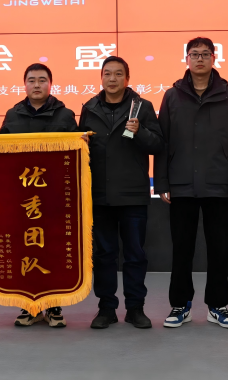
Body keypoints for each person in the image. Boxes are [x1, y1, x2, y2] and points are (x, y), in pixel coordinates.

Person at [154, 37, 228, 330]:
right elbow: (162, 142)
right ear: (186, 59)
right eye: (194, 54)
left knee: (218, 249)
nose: (199, 59)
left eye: (205, 54)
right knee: (182, 249)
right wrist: (162, 182)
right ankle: (180, 305)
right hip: (181, 184)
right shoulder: (172, 96)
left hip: (218, 184)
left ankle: (217, 306)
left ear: (213, 58)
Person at [78, 56, 164, 329]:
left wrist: (140, 132)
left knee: (135, 254)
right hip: (99, 194)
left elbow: (158, 144)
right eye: (107, 74)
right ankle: (106, 308)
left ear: (127, 78)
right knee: (104, 255)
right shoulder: (89, 108)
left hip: (132, 194)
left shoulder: (142, 107)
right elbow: (81, 149)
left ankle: (135, 308)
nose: (112, 79)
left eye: (118, 74)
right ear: (101, 77)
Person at [0, 63, 77, 328]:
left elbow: (77, 155)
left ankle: (54, 307)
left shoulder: (65, 115)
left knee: (53, 250)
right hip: (22, 198)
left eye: (42, 80)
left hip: (54, 197)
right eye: (31, 80)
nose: (36, 85)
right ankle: (29, 306)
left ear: (50, 84)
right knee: (25, 250)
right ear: (24, 85)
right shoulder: (13, 115)